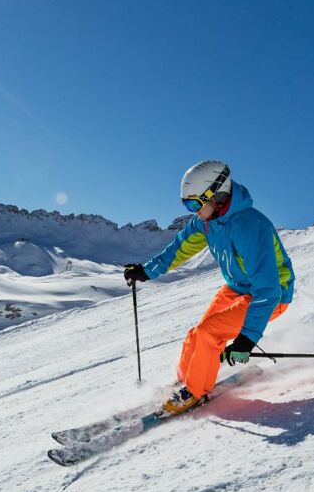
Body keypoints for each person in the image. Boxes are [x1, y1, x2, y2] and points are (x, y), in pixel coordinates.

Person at [123, 161, 294, 415]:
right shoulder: (207, 221)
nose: (192, 211)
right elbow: (178, 249)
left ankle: (195, 391)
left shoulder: (250, 226)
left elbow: (268, 289)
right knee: (196, 335)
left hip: (271, 294)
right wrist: (146, 271)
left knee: (208, 333)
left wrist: (246, 339)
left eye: (194, 204)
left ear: (215, 195)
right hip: (236, 288)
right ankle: (185, 381)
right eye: (186, 205)